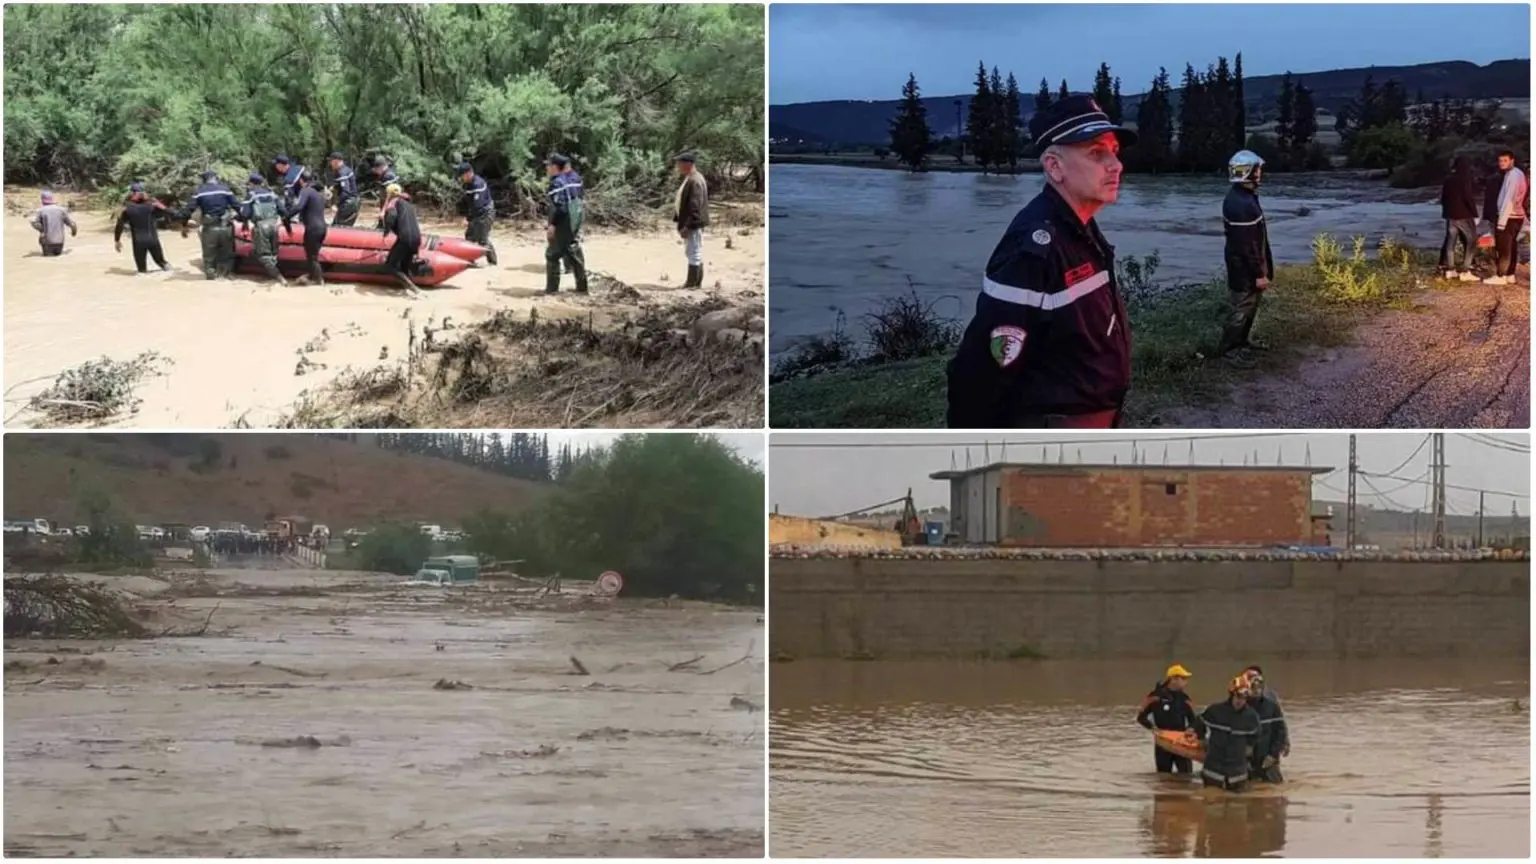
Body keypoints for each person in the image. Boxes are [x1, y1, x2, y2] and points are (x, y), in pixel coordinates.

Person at [946, 95, 1134, 428]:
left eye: (1114, 152)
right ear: (1054, 166)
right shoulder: (1033, 249)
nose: (1115, 165)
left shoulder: (1080, 227)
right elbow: (985, 369)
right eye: (1096, 153)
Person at [1216, 150, 1275, 361]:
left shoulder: (1243, 197)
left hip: (1244, 265)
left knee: (1249, 305)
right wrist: (1260, 273)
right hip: (1243, 269)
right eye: (1257, 169)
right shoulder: (1241, 204)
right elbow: (1248, 245)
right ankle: (1229, 350)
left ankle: (1241, 343)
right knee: (1241, 308)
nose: (1260, 173)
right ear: (1247, 172)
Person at [1136, 664, 1206, 774]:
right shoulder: (1155, 696)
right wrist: (1153, 728)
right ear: (1173, 679)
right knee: (1163, 777)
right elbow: (1141, 717)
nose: (1186, 682)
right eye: (1183, 679)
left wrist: (1191, 731)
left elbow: (1195, 721)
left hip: (1182, 743)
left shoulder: (1185, 699)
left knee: (1186, 776)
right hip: (1163, 743)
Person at [1198, 674, 1261, 792]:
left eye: (1244, 697)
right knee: (1211, 804)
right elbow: (1199, 723)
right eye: (1238, 696)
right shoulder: (1215, 711)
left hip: (1237, 772)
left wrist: (1249, 747)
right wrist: (1202, 739)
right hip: (1213, 769)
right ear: (1231, 694)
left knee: (1237, 807)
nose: (1240, 701)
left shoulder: (1251, 717)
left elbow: (1256, 735)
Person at [177, 170, 240, 280]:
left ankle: (211, 275)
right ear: (216, 178)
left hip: (210, 228)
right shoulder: (225, 189)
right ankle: (226, 274)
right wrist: (243, 219)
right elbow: (237, 206)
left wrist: (184, 225)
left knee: (209, 254)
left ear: (204, 180)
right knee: (228, 253)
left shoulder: (199, 191)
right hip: (226, 227)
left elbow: (188, 210)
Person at [544, 153, 588, 294]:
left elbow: (561, 207)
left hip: (564, 220)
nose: (547, 168)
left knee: (552, 254)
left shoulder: (556, 183)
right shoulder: (574, 178)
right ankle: (582, 287)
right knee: (573, 249)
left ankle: (551, 290)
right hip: (576, 217)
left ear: (555, 167)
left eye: (548, 165)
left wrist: (553, 225)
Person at [1486, 149, 1527, 285]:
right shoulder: (1518, 174)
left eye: (1505, 160)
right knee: (1512, 246)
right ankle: (1510, 274)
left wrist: (1501, 222)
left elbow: (1509, 199)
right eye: (1500, 161)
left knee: (1504, 248)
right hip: (1517, 215)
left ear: (1512, 160)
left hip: (1510, 216)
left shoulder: (1513, 176)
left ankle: (1501, 275)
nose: (1501, 163)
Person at [237, 172, 286, 286]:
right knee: (274, 253)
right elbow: (283, 210)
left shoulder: (251, 195)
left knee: (263, 255)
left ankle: (279, 278)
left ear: (252, 183)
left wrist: (242, 221)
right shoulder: (272, 193)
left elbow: (245, 214)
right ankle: (272, 274)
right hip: (274, 226)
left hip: (261, 226)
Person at [114, 182, 173, 274]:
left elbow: (119, 225)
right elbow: (168, 211)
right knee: (163, 263)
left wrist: (117, 240)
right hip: (153, 240)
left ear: (132, 193)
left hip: (138, 242)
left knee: (142, 271)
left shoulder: (127, 209)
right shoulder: (152, 207)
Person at [1241, 667, 1288, 783]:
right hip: (1245, 759)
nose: (1256, 689)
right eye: (1252, 683)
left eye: (1259, 685)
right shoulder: (1238, 704)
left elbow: (1280, 730)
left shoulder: (1271, 704)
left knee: (1275, 790)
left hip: (1268, 756)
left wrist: (1274, 754)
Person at [1439, 155, 1481, 281]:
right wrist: (1475, 214)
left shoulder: (1448, 179)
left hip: (1450, 216)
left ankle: (1450, 270)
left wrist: (1446, 212)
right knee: (1471, 242)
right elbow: (1468, 197)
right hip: (1464, 215)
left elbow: (1443, 199)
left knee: (1451, 243)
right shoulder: (1464, 179)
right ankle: (1465, 271)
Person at [282, 169, 328, 284]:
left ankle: (318, 281)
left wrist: (286, 217)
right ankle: (313, 277)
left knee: (312, 257)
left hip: (313, 228)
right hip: (322, 228)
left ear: (301, 181)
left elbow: (299, 207)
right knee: (313, 256)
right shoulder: (318, 193)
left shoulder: (306, 190)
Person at [674, 150, 710, 288]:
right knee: (693, 251)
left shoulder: (694, 180)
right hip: (692, 222)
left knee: (693, 252)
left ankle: (692, 283)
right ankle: (695, 282)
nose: (678, 166)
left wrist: (687, 226)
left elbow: (694, 207)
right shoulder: (692, 178)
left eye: (680, 163)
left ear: (688, 164)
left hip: (693, 223)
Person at [380, 183, 423, 292]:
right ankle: (409, 289)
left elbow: (391, 217)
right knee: (404, 266)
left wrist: (386, 231)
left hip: (405, 238)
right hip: (416, 238)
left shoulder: (394, 202)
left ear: (389, 194)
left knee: (390, 266)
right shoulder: (408, 204)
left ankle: (414, 289)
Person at [456, 161, 498, 266]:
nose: (461, 178)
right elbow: (467, 202)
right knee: (469, 236)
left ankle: (492, 261)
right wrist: (465, 215)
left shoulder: (477, 184)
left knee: (482, 239)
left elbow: (477, 206)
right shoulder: (468, 185)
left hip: (485, 213)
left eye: (462, 176)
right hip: (477, 214)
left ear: (468, 173)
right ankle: (470, 259)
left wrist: (468, 219)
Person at [29, 190, 77, 257]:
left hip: (47, 243)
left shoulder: (41, 211)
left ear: (42, 199)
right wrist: (73, 233)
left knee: (47, 257)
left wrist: (42, 230)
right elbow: (72, 224)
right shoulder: (61, 210)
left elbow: (33, 222)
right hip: (60, 243)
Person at [327, 151, 360, 227]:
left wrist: (336, 204)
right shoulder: (347, 169)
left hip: (348, 204)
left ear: (336, 161)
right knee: (345, 227)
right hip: (355, 202)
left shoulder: (341, 172)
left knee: (338, 226)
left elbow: (346, 192)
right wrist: (334, 187)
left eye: (331, 161)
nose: (330, 163)